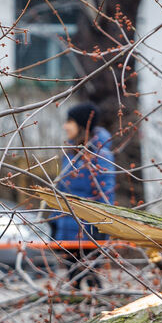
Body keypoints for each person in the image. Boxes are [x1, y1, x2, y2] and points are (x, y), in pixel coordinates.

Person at [53, 101, 117, 289]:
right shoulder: (71, 153)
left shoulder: (100, 154)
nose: (65, 126)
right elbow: (63, 190)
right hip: (67, 227)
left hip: (88, 230)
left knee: (91, 279)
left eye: (70, 122)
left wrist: (101, 225)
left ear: (81, 124)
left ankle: (99, 306)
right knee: (73, 281)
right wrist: (54, 221)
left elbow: (106, 192)